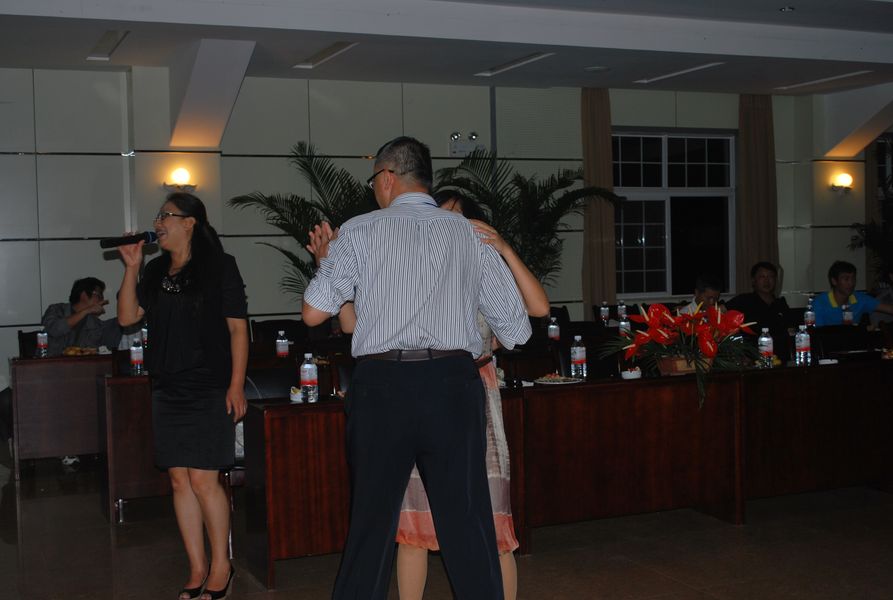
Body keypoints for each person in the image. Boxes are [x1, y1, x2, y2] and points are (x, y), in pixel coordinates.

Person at [302, 136, 531, 600]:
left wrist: (326, 263)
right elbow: (517, 330)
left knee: (371, 522)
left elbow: (313, 313)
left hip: (382, 385)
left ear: (387, 178)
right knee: (467, 522)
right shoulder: (467, 233)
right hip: (452, 384)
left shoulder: (360, 230)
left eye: (374, 180)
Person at [116, 193, 247, 600]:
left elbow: (238, 329)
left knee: (204, 479)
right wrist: (132, 268)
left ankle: (222, 566)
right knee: (178, 480)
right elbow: (126, 317)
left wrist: (236, 385)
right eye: (157, 216)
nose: (157, 223)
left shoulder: (220, 267)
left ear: (189, 223)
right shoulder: (156, 270)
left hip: (208, 385)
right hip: (167, 386)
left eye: (165, 216)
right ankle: (197, 566)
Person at [726, 262, 792, 360]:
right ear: (753, 281)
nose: (767, 281)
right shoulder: (743, 301)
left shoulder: (780, 304)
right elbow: (721, 312)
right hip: (752, 360)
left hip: (781, 359)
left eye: (771, 276)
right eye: (762, 277)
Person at [41, 277, 121, 356]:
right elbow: (53, 330)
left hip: (79, 364)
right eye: (99, 295)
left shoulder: (95, 324)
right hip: (49, 362)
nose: (101, 299)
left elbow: (92, 350)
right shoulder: (57, 310)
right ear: (84, 295)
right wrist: (87, 311)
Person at [813, 260, 893, 326]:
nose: (851, 283)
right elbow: (818, 333)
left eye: (853, 279)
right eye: (846, 279)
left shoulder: (859, 298)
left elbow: (888, 308)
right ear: (834, 281)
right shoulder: (820, 303)